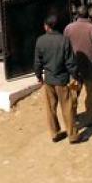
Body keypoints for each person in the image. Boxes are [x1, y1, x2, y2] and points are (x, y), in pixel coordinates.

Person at [34, 14, 81, 144]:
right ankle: (72, 135)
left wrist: (39, 76)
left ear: (46, 26)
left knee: (51, 108)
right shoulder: (64, 40)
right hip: (62, 80)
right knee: (67, 107)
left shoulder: (40, 40)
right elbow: (70, 62)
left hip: (49, 80)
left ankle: (55, 133)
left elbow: (37, 62)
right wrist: (75, 76)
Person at [64, 4, 92, 127]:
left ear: (77, 15)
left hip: (73, 68)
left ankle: (71, 116)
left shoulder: (68, 28)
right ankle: (91, 118)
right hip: (91, 68)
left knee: (73, 93)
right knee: (91, 94)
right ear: (88, 14)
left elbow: (65, 47)